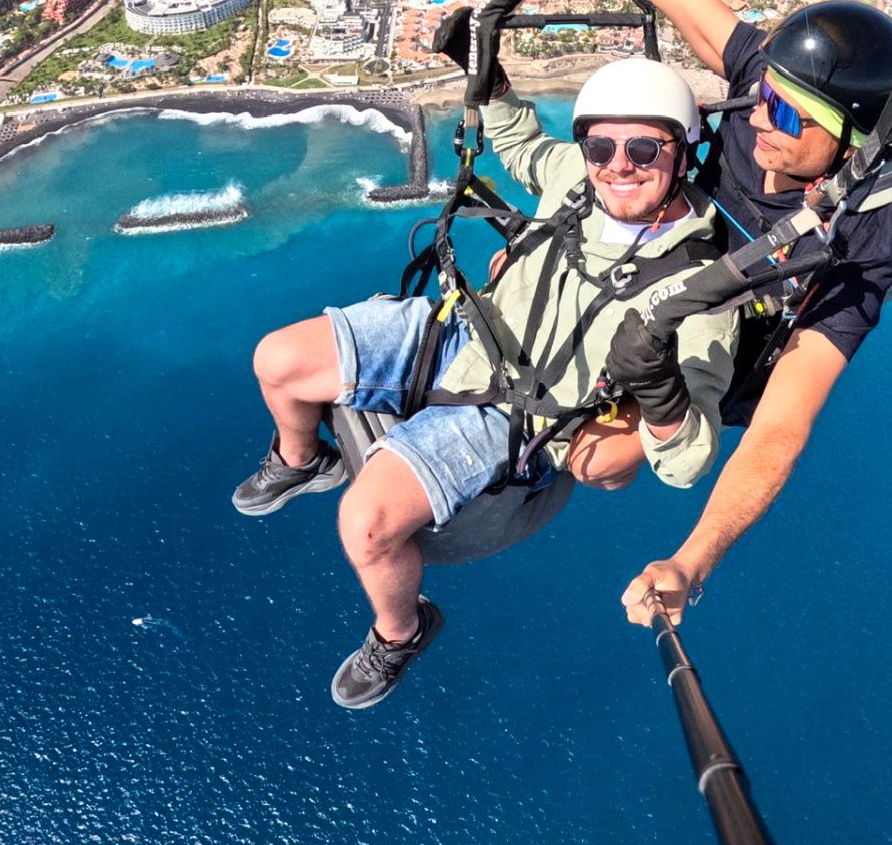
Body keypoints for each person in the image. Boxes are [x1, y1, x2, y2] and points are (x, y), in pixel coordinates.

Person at [551, 0, 892, 629]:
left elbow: (781, 423)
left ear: (846, 140)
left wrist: (692, 561)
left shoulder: (867, 232)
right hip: (673, 268)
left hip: (731, 340)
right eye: (761, 96)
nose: (760, 119)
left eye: (789, 116)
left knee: (597, 461)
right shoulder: (771, 78)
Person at [231, 51, 739, 708]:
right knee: (277, 360)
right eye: (601, 145)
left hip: (517, 413)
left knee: (366, 525)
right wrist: (490, 80)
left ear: (682, 151)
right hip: (466, 333)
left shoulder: (701, 286)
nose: (618, 164)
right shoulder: (577, 180)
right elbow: (526, 146)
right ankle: (302, 458)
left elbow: (689, 457)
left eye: (644, 148)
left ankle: (400, 632)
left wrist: (662, 392)